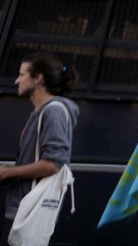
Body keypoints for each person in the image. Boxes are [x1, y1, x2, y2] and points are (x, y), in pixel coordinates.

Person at [0, 54, 79, 246]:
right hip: (23, 208)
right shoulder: (44, 111)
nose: (17, 80)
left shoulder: (53, 111)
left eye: (22, 74)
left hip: (27, 209)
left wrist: (7, 172)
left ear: (38, 78)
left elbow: (53, 164)